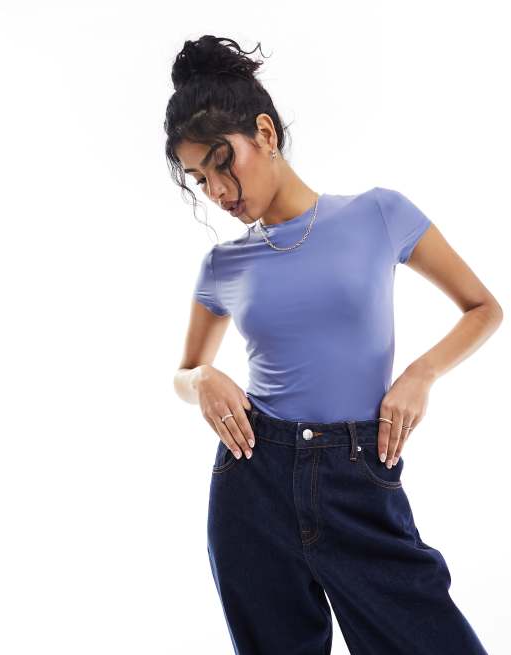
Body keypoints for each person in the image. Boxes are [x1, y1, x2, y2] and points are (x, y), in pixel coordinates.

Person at [168, 35, 501, 654]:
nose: (216, 190)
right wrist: (203, 379)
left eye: (221, 163)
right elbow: (185, 371)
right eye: (199, 178)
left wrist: (420, 375)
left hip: (359, 475)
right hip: (253, 480)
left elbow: (484, 308)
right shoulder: (223, 265)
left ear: (264, 132)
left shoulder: (379, 214)